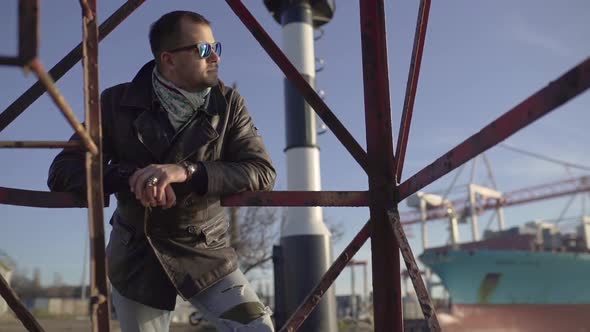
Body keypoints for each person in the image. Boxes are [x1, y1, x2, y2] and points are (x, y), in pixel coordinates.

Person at [47, 10, 276, 332]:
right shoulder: (115, 103)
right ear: (168, 60)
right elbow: (62, 171)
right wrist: (131, 176)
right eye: (202, 50)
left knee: (257, 327)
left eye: (216, 47)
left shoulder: (228, 103)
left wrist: (187, 171)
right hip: (137, 256)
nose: (215, 57)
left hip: (206, 253)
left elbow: (261, 171)